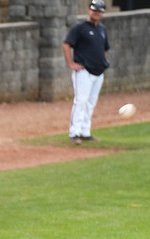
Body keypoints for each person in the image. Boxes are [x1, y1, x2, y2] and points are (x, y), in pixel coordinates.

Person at [63, 0, 109, 144]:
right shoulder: (80, 27)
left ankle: (85, 132)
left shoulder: (102, 29)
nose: (96, 13)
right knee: (81, 101)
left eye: (99, 11)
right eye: (94, 10)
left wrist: (101, 61)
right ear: (89, 10)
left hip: (98, 72)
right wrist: (71, 64)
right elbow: (66, 44)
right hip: (84, 72)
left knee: (91, 102)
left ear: (102, 13)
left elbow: (105, 48)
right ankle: (74, 133)